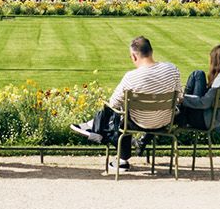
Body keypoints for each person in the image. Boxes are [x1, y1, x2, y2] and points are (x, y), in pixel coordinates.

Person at [71, 36, 182, 172]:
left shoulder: (131, 77)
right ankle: (93, 126)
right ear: (151, 51)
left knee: (121, 112)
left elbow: (113, 103)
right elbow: (179, 97)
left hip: (139, 122)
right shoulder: (172, 69)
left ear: (134, 57)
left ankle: (117, 154)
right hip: (165, 121)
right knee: (125, 110)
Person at [177, 43, 220, 134]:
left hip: (207, 122)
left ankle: (181, 112)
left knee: (198, 74)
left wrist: (182, 99)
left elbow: (204, 103)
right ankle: (182, 112)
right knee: (198, 75)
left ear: (217, 62)